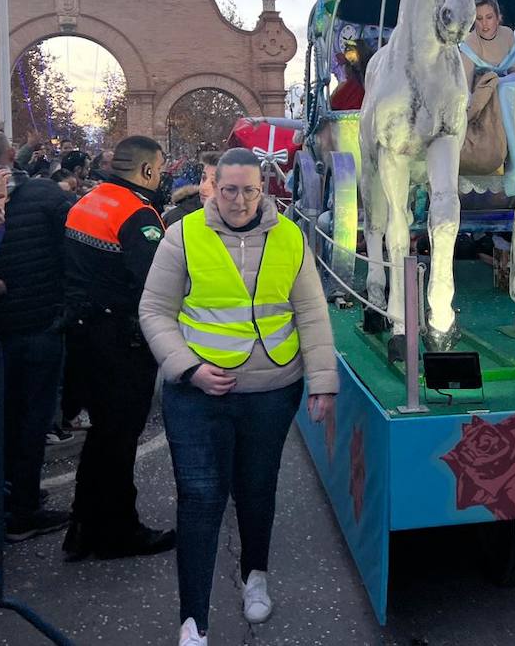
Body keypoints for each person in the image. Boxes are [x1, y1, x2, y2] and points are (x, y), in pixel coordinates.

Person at [139, 148, 337, 646]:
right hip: (197, 395)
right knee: (201, 498)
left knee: (256, 488)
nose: (240, 200)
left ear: (263, 189)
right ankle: (193, 623)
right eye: (230, 190)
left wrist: (324, 382)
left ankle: (255, 576)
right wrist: (188, 369)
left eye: (250, 190)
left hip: (271, 391)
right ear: (213, 186)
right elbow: (155, 311)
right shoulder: (182, 235)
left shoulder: (290, 237)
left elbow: (311, 313)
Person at [61, 135, 174, 561]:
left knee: (101, 437)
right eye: (160, 170)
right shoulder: (138, 214)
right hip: (122, 343)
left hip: (85, 334)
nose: (161, 177)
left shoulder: (88, 202)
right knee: (119, 439)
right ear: (147, 171)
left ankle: (83, 526)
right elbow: (156, 281)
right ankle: (118, 532)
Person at [0, 130, 77, 541]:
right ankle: (23, 509)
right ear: (12, 155)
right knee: (33, 420)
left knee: (4, 419)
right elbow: (71, 248)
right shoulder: (47, 196)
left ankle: (8, 497)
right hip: (41, 325)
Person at [459, 0, 515, 193]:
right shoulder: (470, 42)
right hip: (484, 99)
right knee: (503, 89)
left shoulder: (507, 35)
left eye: (489, 17)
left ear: (498, 17)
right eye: (479, 19)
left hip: (510, 94)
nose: (485, 24)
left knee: (510, 88)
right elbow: (465, 83)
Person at [329, 40, 370, 111]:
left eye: (352, 54)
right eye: (348, 56)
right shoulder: (346, 85)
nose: (351, 60)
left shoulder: (372, 76)